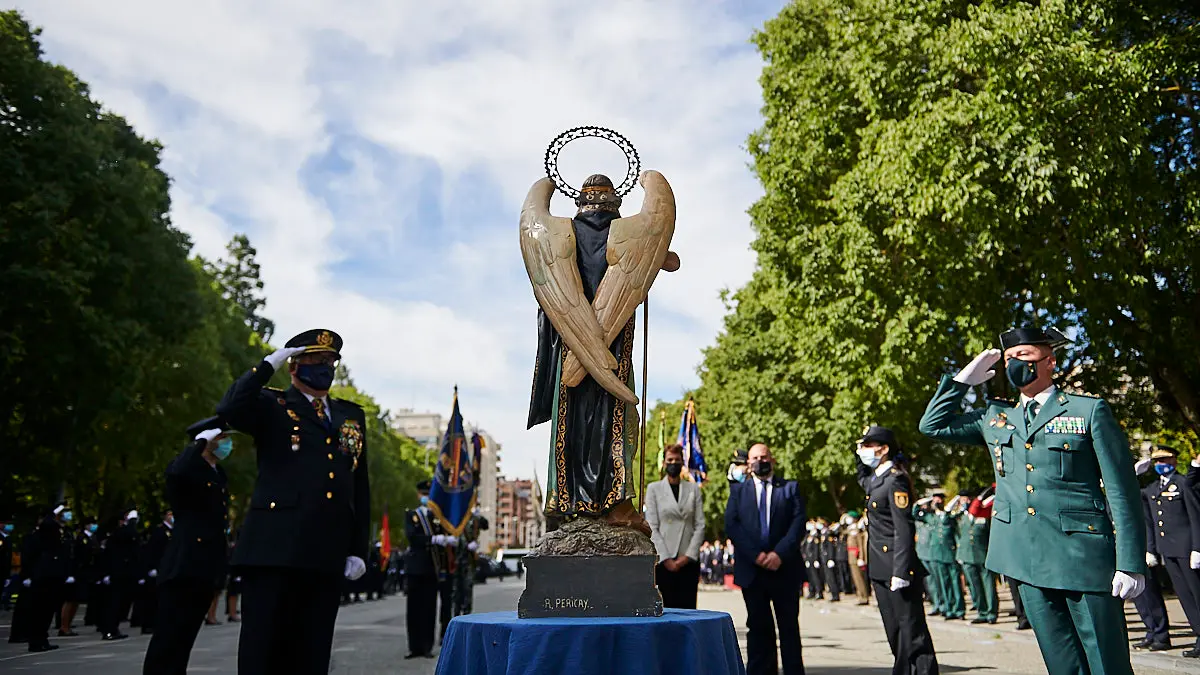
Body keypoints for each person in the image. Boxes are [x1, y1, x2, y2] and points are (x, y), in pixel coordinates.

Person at [919, 326, 1146, 674]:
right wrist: (961, 383)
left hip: (1082, 557)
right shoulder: (996, 418)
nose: (1015, 364)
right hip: (1024, 560)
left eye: (1024, 355)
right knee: (1061, 665)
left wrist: (1130, 561)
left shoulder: (1086, 410)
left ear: (1050, 361)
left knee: (1106, 663)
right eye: (1009, 358)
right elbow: (932, 425)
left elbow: (1121, 489)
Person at [216, 329, 370, 674]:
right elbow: (229, 409)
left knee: (312, 651)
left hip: (326, 552)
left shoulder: (350, 416)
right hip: (275, 550)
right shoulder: (271, 404)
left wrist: (358, 548)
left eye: (330, 361)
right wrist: (266, 365)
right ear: (294, 366)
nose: (325, 367)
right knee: (264, 649)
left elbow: (359, 485)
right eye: (316, 359)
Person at [143, 417, 234, 674]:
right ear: (208, 440)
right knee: (168, 638)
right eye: (222, 437)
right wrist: (198, 444)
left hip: (205, 566)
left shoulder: (217, 473)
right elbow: (175, 473)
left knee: (184, 639)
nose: (227, 443)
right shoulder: (187, 469)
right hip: (184, 565)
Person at [855, 425, 939, 675]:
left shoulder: (895, 480)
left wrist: (901, 571)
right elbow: (861, 477)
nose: (863, 451)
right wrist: (858, 452)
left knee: (912, 633)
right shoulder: (876, 480)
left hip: (896, 567)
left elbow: (903, 529)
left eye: (868, 446)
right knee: (894, 632)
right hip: (880, 568)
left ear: (884, 449)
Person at [724, 443, 806, 675]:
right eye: (755, 458)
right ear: (749, 463)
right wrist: (756, 555)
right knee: (758, 629)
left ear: (773, 459)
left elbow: (798, 524)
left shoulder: (790, 488)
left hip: (785, 569)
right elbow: (732, 525)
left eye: (764, 457)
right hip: (753, 572)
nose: (760, 461)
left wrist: (778, 554)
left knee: (789, 629)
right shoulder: (739, 492)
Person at [1142, 444, 1200, 657]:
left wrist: (1197, 547)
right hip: (1168, 550)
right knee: (1185, 597)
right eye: (1157, 461)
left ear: (1174, 460)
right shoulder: (1153, 488)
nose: (1160, 464)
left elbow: (1195, 515)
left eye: (1164, 460)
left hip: (1187, 549)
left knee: (1197, 594)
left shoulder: (1183, 483)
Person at [645, 443, 705, 609]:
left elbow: (700, 525)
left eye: (677, 460)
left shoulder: (693, 489)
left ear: (682, 462)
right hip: (664, 561)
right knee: (666, 610)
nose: (673, 463)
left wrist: (688, 556)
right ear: (664, 463)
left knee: (688, 610)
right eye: (670, 460)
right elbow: (652, 526)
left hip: (688, 561)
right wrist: (666, 558)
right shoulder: (654, 489)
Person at [24, 503, 72, 652]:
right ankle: (36, 641)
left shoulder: (58, 529)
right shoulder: (47, 527)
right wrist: (53, 513)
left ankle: (42, 639)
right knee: (40, 610)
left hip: (53, 574)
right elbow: (48, 525)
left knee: (48, 610)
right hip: (44, 575)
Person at [913, 494, 964, 620]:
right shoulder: (931, 517)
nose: (937, 503)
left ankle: (959, 610)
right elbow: (915, 513)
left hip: (950, 554)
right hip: (937, 555)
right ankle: (948, 609)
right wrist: (925, 500)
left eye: (939, 500)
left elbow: (957, 529)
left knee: (955, 584)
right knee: (943, 584)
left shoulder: (949, 516)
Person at [404, 480, 439, 659]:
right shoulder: (412, 515)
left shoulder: (436, 517)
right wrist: (432, 539)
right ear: (419, 495)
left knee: (429, 608)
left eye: (428, 494)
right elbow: (412, 537)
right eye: (423, 494)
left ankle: (426, 646)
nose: (425, 497)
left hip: (431, 567)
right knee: (413, 609)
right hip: (415, 568)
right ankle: (414, 647)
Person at [957, 488, 997, 624]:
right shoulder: (959, 516)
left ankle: (992, 613)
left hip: (983, 555)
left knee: (989, 586)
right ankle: (982, 612)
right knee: (975, 586)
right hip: (967, 556)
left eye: (968, 499)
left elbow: (991, 535)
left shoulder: (983, 514)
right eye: (963, 499)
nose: (966, 501)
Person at [844, 513, 870, 605]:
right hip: (851, 557)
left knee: (860, 578)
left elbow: (860, 544)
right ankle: (860, 596)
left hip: (856, 556)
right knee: (856, 578)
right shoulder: (850, 529)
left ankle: (864, 597)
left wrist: (861, 557)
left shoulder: (857, 530)